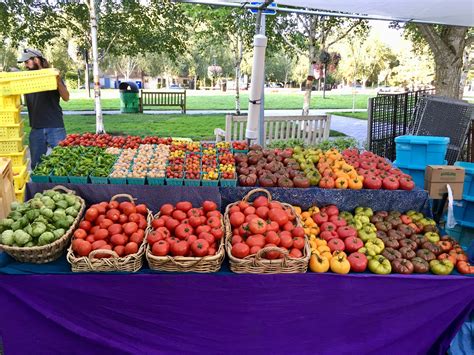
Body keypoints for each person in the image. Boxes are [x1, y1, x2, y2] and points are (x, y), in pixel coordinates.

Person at [17, 48, 70, 168]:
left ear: (36, 59)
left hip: (55, 126)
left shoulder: (52, 75)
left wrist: (57, 81)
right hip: (36, 128)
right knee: (36, 165)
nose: (25, 65)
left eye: (27, 62)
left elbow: (66, 97)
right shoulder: (25, 79)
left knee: (63, 162)